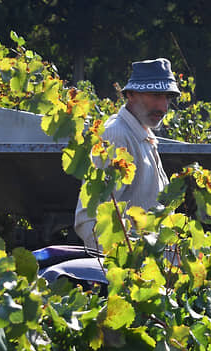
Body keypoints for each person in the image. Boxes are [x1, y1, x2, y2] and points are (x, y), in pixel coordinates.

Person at [73, 58, 180, 250]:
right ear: (130, 94)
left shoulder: (143, 134)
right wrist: (121, 262)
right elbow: (90, 221)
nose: (163, 107)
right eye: (156, 95)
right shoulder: (117, 136)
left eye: (167, 97)